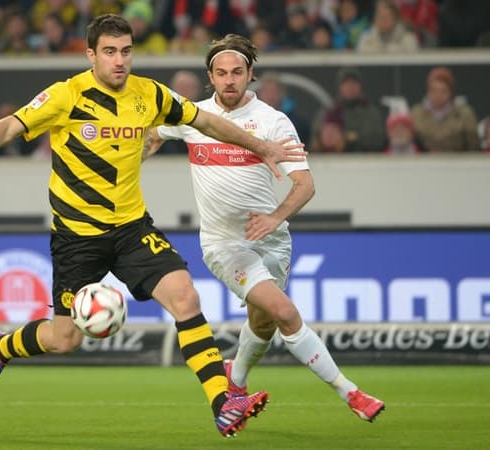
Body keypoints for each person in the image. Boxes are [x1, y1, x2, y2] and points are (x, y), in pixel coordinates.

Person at [0, 14, 308, 438]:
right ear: (91, 55)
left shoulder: (150, 95)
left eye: (125, 51)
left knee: (185, 297)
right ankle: (2, 346)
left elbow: (207, 122)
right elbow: (12, 126)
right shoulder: (68, 95)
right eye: (109, 52)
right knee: (65, 339)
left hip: (131, 230)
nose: (119, 60)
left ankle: (223, 402)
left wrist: (262, 145)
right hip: (77, 238)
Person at [145, 33, 385, 424]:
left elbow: (305, 184)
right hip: (224, 244)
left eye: (237, 72)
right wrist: (138, 151)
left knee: (263, 321)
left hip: (272, 241)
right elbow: (154, 133)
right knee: (285, 312)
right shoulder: (193, 116)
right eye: (221, 73)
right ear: (210, 76)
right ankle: (352, 394)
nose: (229, 80)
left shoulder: (273, 122)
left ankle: (234, 383)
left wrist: (275, 217)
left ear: (249, 73)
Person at [313, 66, 387, 153]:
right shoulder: (329, 111)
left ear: (360, 86)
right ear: (340, 87)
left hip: (365, 160)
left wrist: (351, 138)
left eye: (354, 83)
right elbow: (316, 139)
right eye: (346, 83)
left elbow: (379, 141)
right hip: (332, 160)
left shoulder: (371, 112)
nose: (350, 87)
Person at [410, 66, 480, 152]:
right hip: (424, 162)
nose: (438, 95)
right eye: (434, 90)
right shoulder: (416, 113)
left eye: (443, 91)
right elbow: (411, 144)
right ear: (428, 91)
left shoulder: (464, 114)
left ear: (450, 92)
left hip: (458, 162)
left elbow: (474, 146)